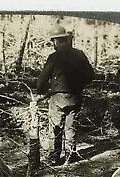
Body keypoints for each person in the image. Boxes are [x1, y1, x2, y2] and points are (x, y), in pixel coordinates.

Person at [36, 24, 94, 165]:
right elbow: (90, 76)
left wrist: (40, 91)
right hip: (75, 97)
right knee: (71, 127)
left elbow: (42, 78)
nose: (53, 44)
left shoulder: (54, 58)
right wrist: (79, 85)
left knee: (55, 127)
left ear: (57, 41)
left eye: (53, 41)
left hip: (58, 98)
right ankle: (69, 156)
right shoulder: (80, 55)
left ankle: (54, 158)